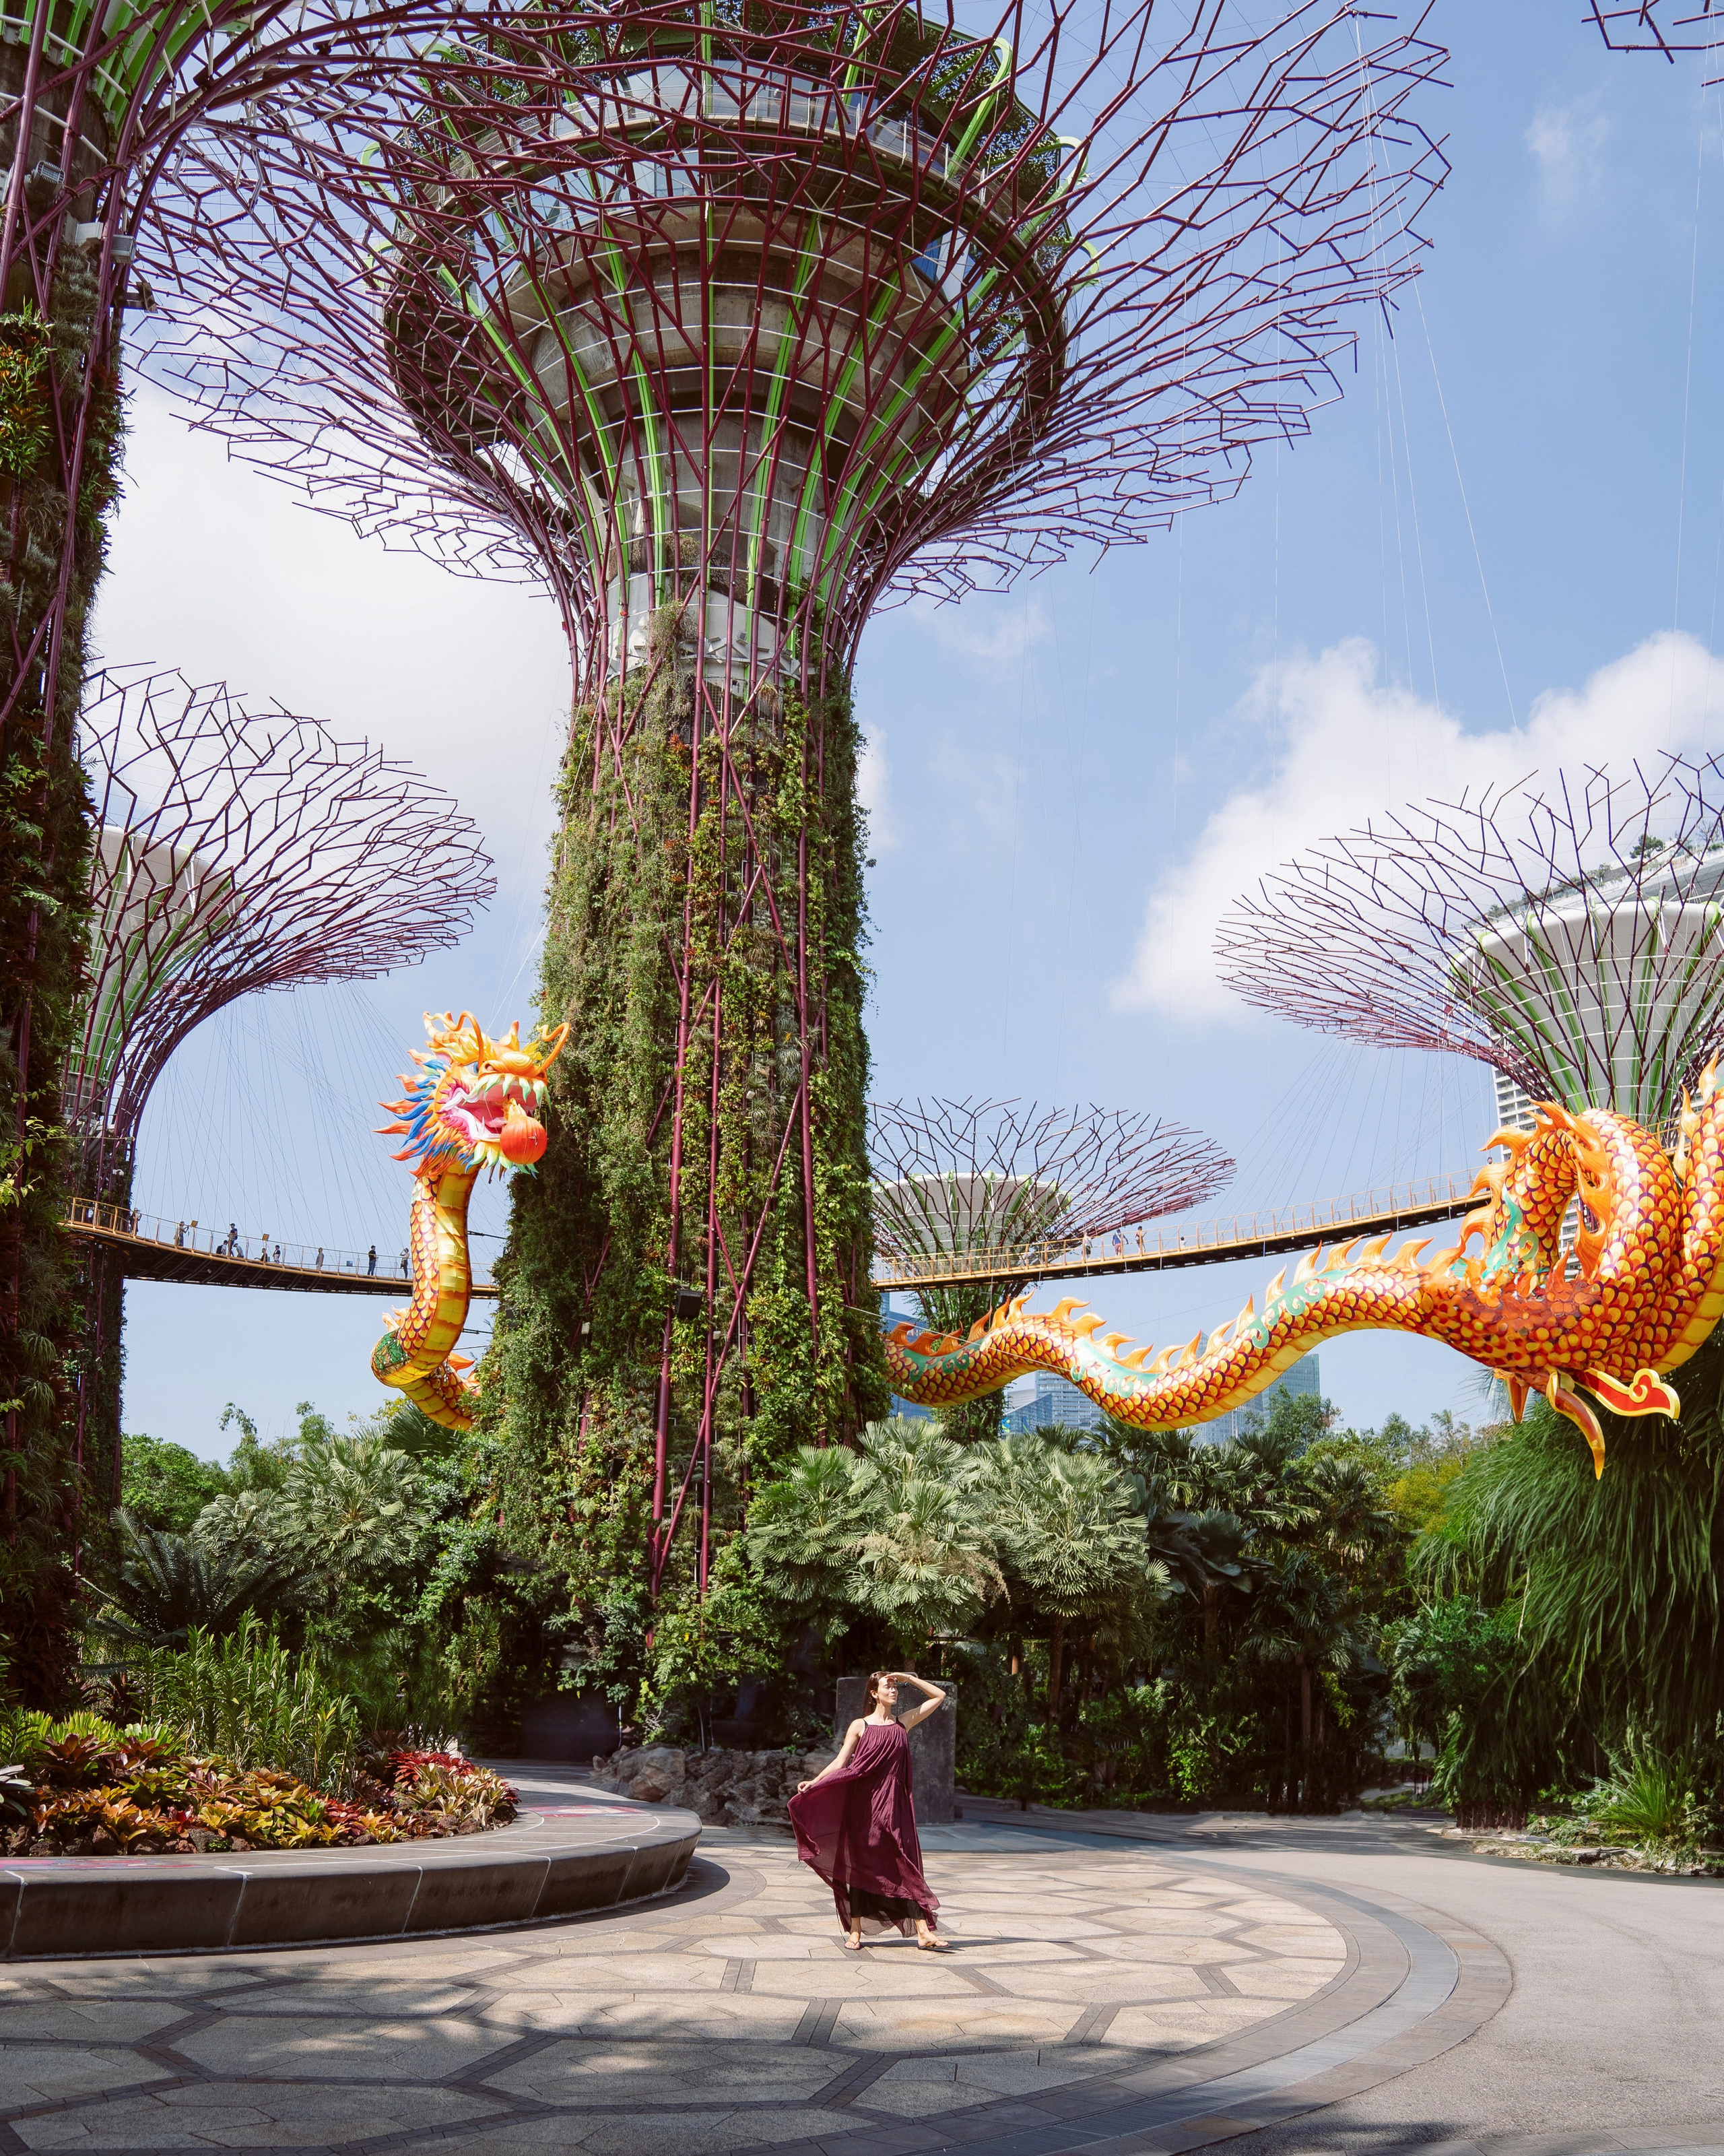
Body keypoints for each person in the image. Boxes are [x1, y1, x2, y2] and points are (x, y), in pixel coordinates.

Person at [787, 1670, 948, 1953]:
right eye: (889, 1686)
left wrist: (910, 1679)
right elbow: (841, 1762)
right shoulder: (859, 1725)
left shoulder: (903, 1723)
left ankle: (923, 1931)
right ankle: (856, 1931)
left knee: (904, 1862)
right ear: (874, 1693)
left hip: (895, 1807)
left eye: (896, 1686)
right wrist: (815, 1782)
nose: (894, 1690)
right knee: (860, 1866)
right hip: (864, 1807)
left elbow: (940, 1696)